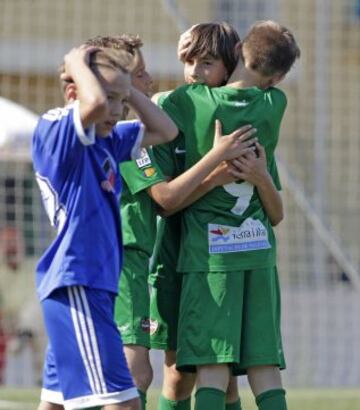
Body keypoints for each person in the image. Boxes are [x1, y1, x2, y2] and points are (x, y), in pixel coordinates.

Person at [84, 29, 257, 410]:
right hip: (124, 259)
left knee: (195, 372)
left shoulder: (148, 128)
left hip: (144, 258)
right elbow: (164, 199)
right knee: (136, 373)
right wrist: (215, 164)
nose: (151, 80)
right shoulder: (123, 138)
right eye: (141, 73)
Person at [154, 20, 300, 410]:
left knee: (212, 367)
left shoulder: (192, 101)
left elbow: (164, 99)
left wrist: (183, 46)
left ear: (236, 55)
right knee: (265, 366)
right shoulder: (276, 104)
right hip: (258, 254)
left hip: (210, 256)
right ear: (279, 76)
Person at [32, 43, 179, 410]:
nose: (115, 110)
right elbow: (93, 105)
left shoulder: (106, 140)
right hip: (78, 281)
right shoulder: (55, 127)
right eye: (110, 98)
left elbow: (165, 130)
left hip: (92, 284)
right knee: (124, 401)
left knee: (55, 404)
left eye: (121, 100)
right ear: (72, 91)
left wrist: (128, 90)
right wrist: (77, 61)